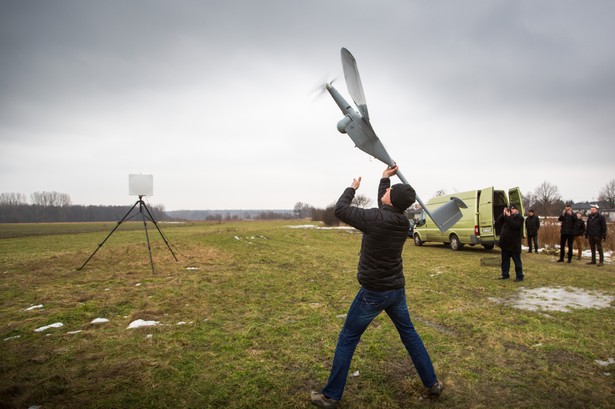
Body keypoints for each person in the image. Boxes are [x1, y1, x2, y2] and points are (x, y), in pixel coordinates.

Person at [310, 165, 442, 408]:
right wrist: (384, 179)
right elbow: (387, 206)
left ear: (391, 200)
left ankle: (330, 396)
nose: (386, 192)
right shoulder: (401, 221)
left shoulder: (375, 218)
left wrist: (352, 188)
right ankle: (432, 383)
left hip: (374, 293)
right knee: (410, 334)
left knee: (347, 338)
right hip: (395, 291)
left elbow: (341, 209)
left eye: (389, 191)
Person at [496, 205, 524, 281]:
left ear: (516, 210)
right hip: (505, 243)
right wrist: (503, 214)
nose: (511, 211)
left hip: (514, 244)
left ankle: (519, 276)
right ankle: (505, 274)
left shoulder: (520, 218)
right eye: (510, 209)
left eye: (513, 209)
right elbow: (498, 221)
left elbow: (515, 225)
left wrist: (508, 217)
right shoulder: (507, 217)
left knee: (517, 261)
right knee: (505, 261)